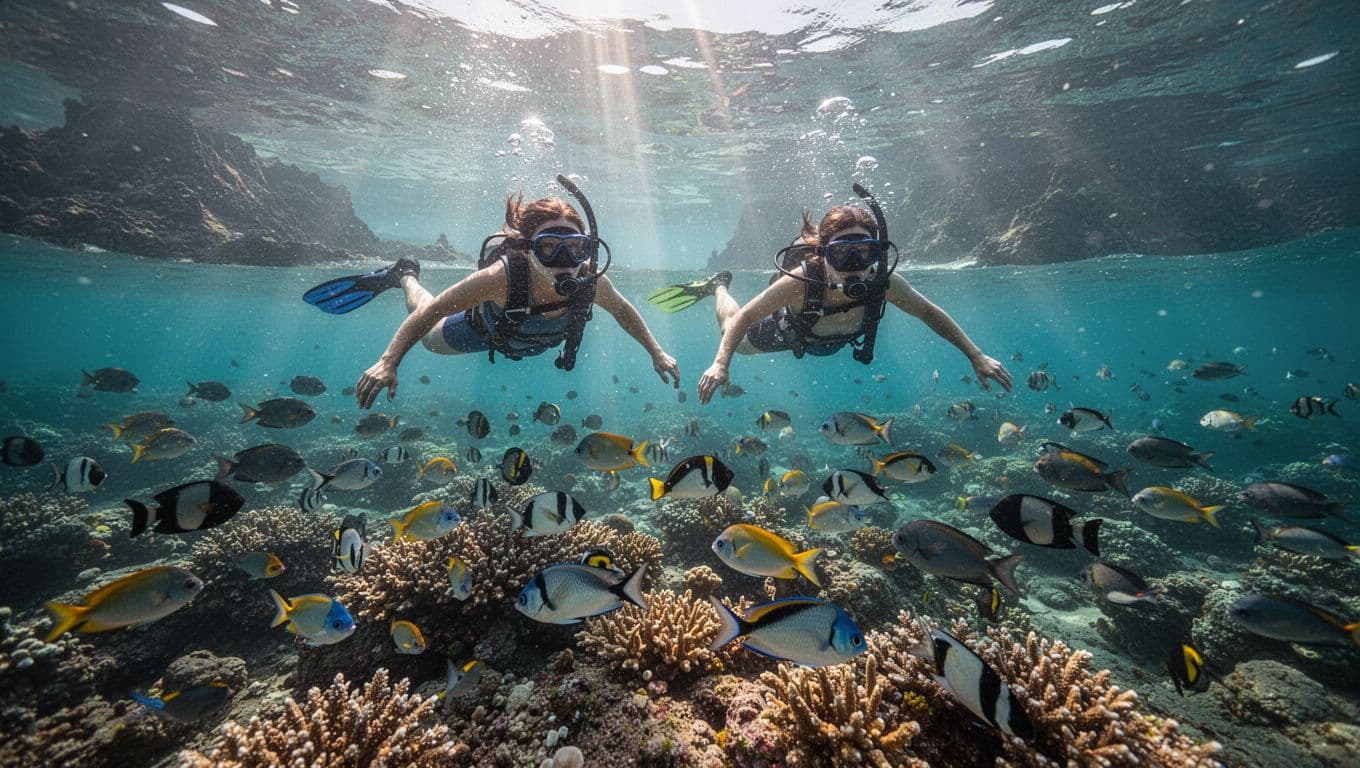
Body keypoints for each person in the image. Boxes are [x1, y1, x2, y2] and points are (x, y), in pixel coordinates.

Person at [336, 192, 679, 409]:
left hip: (528, 342)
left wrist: (657, 352)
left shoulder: (591, 281)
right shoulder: (500, 278)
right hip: (480, 332)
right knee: (430, 340)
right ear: (528, 249)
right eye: (548, 246)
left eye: (574, 247)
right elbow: (435, 309)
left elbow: (621, 309)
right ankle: (405, 275)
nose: (563, 258)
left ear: (586, 248)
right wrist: (389, 360)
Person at [669, 202, 1010, 404]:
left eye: (865, 252)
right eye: (841, 254)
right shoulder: (801, 281)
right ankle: (718, 286)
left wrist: (976, 356)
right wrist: (720, 364)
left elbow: (927, 312)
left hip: (831, 341)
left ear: (878, 253)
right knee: (734, 335)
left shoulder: (884, 282)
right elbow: (745, 317)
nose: (855, 265)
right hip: (792, 334)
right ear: (822, 254)